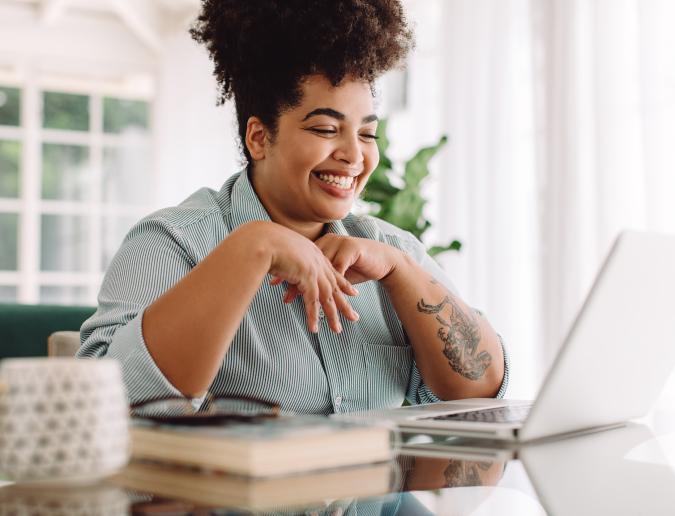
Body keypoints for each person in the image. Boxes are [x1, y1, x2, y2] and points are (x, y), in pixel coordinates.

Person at [78, 0, 509, 412]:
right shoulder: (171, 243)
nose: (354, 155)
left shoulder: (391, 251)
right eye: (325, 128)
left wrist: (402, 273)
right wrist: (253, 247)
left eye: (367, 134)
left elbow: (480, 392)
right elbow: (101, 408)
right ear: (259, 138)